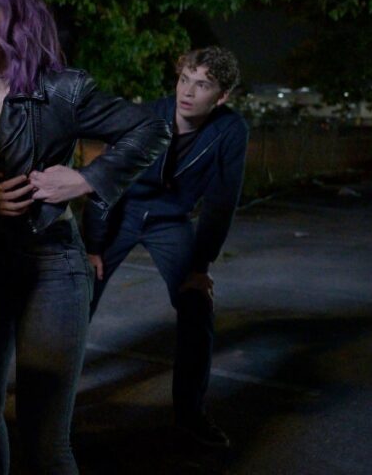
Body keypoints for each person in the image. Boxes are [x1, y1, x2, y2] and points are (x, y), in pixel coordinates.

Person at [0, 0, 170, 475]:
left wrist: (86, 179)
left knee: (44, 442)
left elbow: (151, 129)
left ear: (16, 18)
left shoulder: (61, 89)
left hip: (52, 264)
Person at [83, 46, 248, 449]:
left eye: (202, 85)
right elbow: (105, 180)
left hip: (171, 220)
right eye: (184, 79)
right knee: (76, 297)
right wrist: (92, 245)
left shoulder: (230, 130)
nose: (187, 92)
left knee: (196, 306)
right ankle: (45, 397)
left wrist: (200, 266)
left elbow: (222, 199)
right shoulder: (145, 116)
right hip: (123, 211)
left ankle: (190, 415)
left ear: (222, 96)